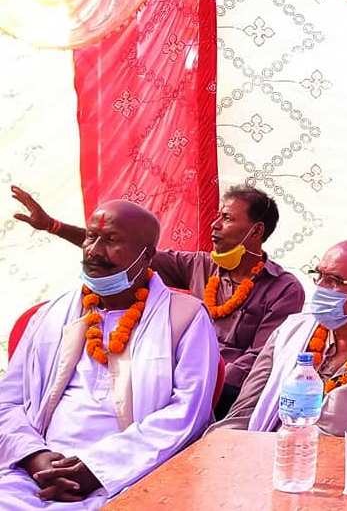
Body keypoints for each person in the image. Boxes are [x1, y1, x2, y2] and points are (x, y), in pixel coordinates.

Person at [12, 184, 305, 418]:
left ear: (256, 231)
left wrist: (209, 379)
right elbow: (127, 252)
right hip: (179, 374)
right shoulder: (199, 265)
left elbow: (262, 357)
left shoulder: (284, 287)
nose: (214, 224)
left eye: (226, 218)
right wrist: (54, 226)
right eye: (217, 216)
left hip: (230, 390)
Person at [0, 200, 219, 508]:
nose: (93, 250)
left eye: (112, 240)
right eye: (91, 236)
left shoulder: (185, 318)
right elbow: (8, 401)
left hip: (132, 475)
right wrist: (34, 456)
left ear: (147, 256)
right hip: (35, 472)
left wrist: (98, 469)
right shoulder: (51, 314)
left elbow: (188, 413)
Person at [215, 240, 347, 441]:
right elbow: (244, 414)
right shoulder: (290, 332)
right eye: (318, 275)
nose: (320, 287)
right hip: (278, 457)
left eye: (333, 280)